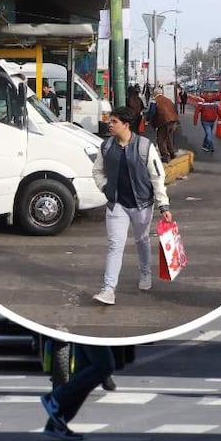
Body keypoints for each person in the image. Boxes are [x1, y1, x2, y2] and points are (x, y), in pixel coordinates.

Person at [91, 106, 172, 305]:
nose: (110, 124)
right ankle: (108, 289)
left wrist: (164, 206)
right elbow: (97, 171)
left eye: (114, 122)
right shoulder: (106, 147)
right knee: (115, 245)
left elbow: (157, 177)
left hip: (142, 204)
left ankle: (145, 273)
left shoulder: (145, 146)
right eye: (110, 121)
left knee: (141, 240)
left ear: (126, 125)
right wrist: (105, 188)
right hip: (116, 204)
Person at [40, 344, 116, 441]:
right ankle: (56, 398)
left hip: (81, 331)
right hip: (91, 330)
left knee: (84, 371)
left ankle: (57, 423)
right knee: (104, 365)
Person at [146, 87, 180, 162]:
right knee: (167, 137)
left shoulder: (154, 100)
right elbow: (175, 110)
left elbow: (152, 112)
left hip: (164, 122)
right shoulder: (168, 100)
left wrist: (148, 120)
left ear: (155, 93)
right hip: (173, 121)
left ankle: (165, 156)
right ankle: (172, 153)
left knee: (160, 140)